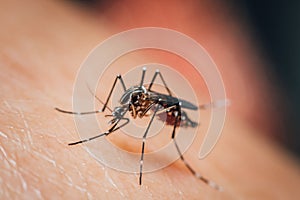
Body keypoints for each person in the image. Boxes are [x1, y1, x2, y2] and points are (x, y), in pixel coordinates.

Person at [1, 0, 299, 199]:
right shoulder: (127, 98)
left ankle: (190, 144)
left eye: (118, 113)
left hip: (175, 110)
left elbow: (146, 115)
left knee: (151, 93)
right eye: (118, 113)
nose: (118, 115)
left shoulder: (143, 102)